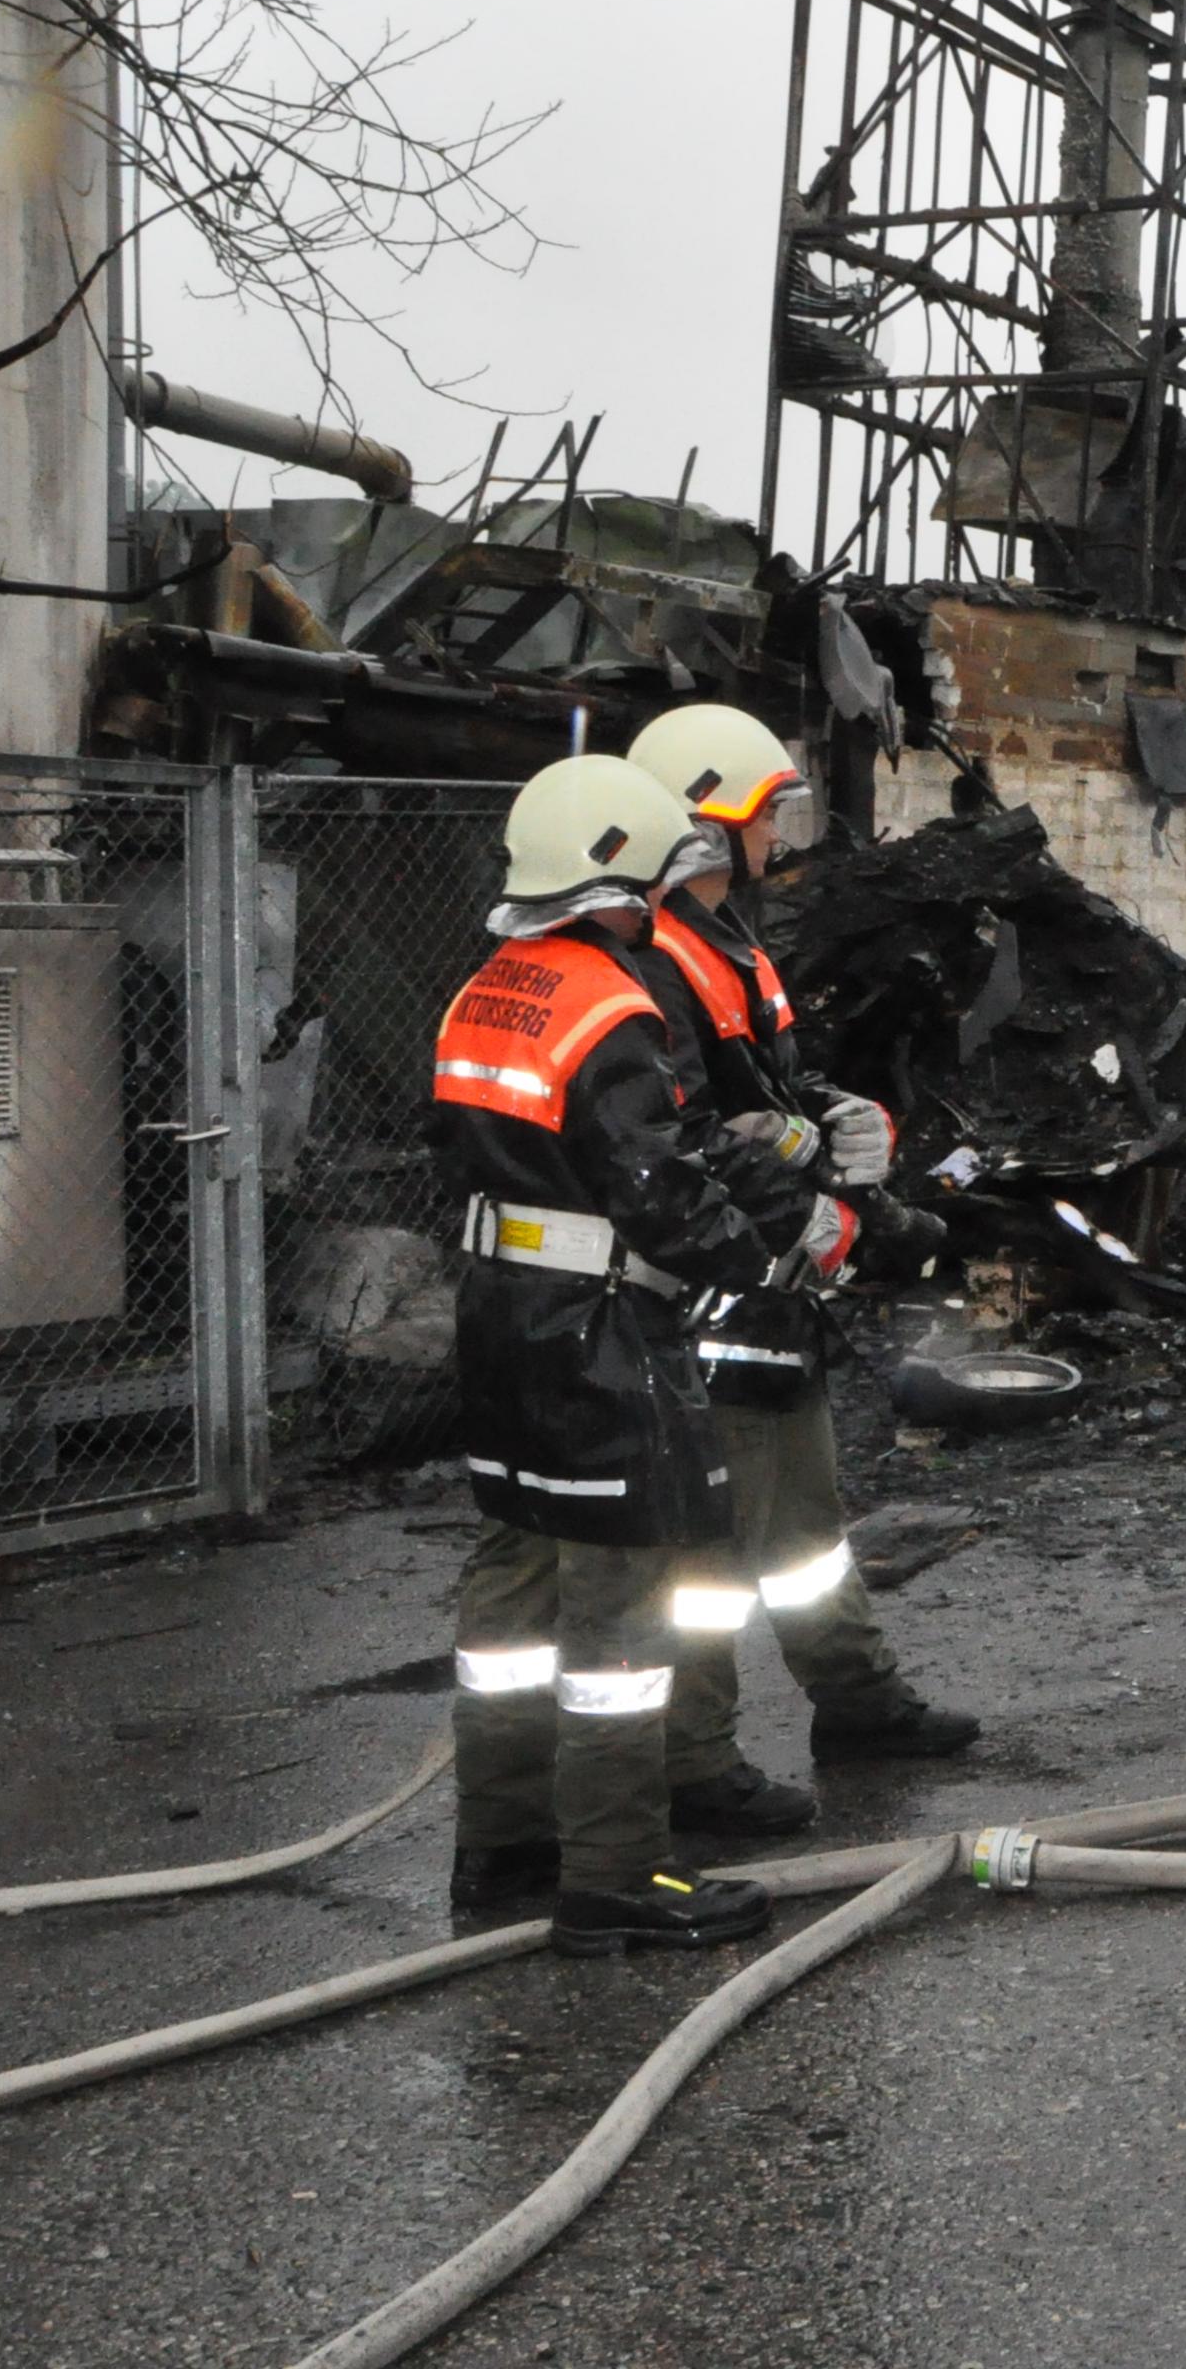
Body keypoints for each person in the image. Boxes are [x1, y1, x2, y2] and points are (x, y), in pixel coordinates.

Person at [435, 756, 846, 1952]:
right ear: (614, 878)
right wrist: (774, 1261)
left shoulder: (485, 989)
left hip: (499, 1314)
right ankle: (615, 1874)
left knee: (513, 1580)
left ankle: (504, 1842)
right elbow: (657, 1187)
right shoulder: (611, 1007)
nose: (659, 901)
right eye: (654, 878)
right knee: (619, 1600)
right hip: (598, 1335)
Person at [622, 703, 978, 1843]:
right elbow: (688, 1135)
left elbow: (758, 1092)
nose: (782, 834)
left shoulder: (723, 937)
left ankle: (857, 1700)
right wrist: (826, 1206)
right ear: (706, 822)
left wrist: (831, 1111)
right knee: (710, 1548)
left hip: (765, 1275)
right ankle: (693, 1761)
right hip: (711, 1280)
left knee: (805, 1519)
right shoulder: (654, 955)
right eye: (769, 813)